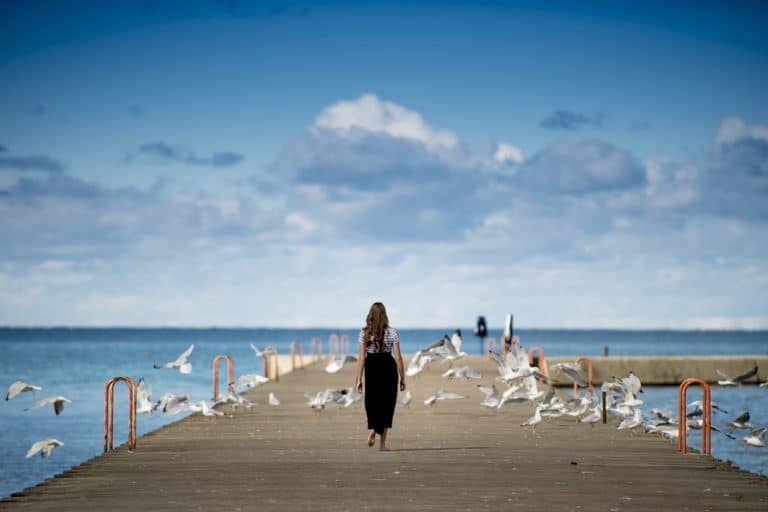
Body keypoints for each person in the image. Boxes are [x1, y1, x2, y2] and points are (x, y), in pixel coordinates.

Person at [355, 302, 406, 452]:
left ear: (370, 314)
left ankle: (373, 428)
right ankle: (382, 444)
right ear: (385, 315)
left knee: (372, 401)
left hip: (371, 367)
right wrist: (402, 377)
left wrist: (358, 379)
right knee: (387, 404)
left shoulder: (364, 332)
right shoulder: (392, 332)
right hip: (388, 367)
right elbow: (398, 358)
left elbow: (361, 358)